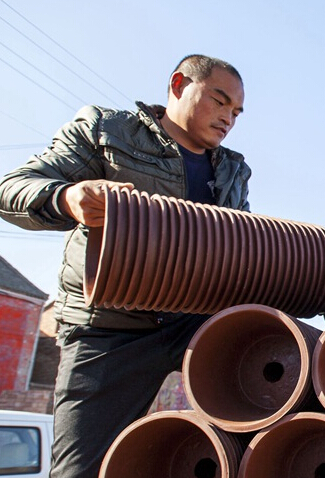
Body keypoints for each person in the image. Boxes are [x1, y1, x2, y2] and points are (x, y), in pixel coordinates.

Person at [0, 54, 251, 477]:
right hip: (111, 327)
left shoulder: (232, 170)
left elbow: (239, 241)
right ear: (177, 85)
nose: (228, 118)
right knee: (81, 470)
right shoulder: (107, 131)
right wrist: (69, 198)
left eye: (237, 112)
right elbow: (12, 189)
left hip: (197, 319)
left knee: (275, 393)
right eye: (219, 100)